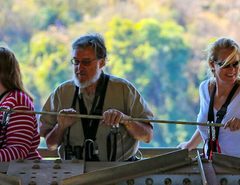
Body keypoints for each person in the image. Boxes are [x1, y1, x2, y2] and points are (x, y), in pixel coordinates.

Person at [39, 33, 154, 161]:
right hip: (74, 175)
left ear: (102, 62)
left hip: (120, 173)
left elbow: (147, 136)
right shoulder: (62, 92)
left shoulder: (123, 89)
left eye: (86, 62)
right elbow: (50, 145)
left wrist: (125, 120)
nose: (79, 68)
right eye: (76, 62)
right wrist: (60, 127)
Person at [178, 37, 240, 158]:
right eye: (226, 65)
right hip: (212, 165)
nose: (232, 70)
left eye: (236, 64)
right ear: (212, 64)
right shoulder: (204, 88)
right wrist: (190, 145)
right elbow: (209, 125)